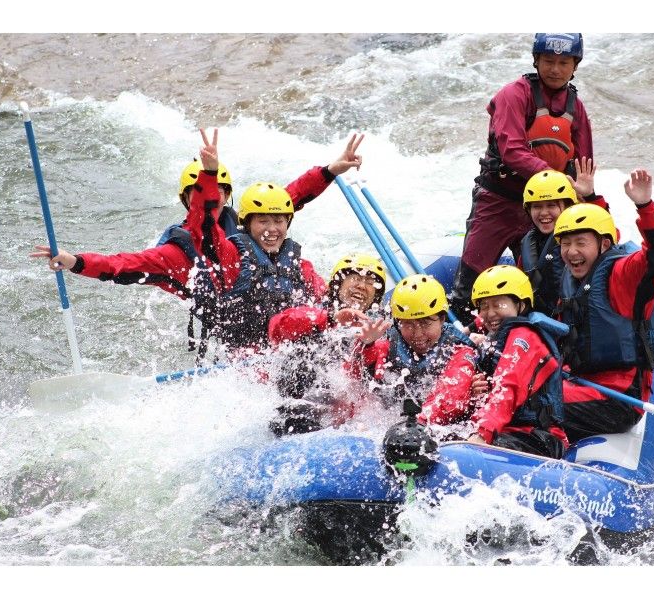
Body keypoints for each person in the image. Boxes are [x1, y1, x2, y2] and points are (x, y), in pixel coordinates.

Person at [31, 129, 365, 358]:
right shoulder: (175, 253)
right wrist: (76, 261)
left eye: (221, 191)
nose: (214, 197)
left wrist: (330, 171)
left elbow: (287, 199)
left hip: (283, 322)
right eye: (205, 192)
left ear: (230, 196)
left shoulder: (248, 225)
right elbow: (122, 265)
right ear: (189, 198)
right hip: (241, 334)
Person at [450, 33, 593, 326]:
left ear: (575, 66)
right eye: (548, 61)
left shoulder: (576, 108)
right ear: (536, 61)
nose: (555, 69)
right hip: (498, 202)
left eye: (564, 63)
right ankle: (461, 334)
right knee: (469, 284)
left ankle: (536, 338)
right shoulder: (514, 95)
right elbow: (512, 150)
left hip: (544, 210)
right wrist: (555, 181)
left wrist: (583, 202)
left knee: (541, 288)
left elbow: (583, 167)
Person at [554, 169, 654, 442]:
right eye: (566, 243)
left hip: (618, 397)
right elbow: (606, 231)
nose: (571, 252)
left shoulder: (623, 275)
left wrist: (645, 206)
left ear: (603, 245)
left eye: (580, 243)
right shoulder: (576, 274)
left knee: (532, 404)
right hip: (581, 380)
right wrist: (591, 199)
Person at [266, 253, 388, 435]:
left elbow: (362, 379)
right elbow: (277, 328)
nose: (362, 286)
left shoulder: (378, 330)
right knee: (300, 363)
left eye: (370, 282)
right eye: (355, 278)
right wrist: (331, 319)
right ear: (338, 284)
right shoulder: (315, 311)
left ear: (375, 298)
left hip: (337, 412)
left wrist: (367, 344)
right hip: (298, 400)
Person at [465, 265, 569, 458]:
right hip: (508, 430)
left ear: (520, 305)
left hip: (540, 436)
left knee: (475, 449)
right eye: (484, 306)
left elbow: (508, 387)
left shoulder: (524, 337)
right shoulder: (494, 339)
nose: (490, 313)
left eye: (498, 305)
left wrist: (481, 433)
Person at [352, 274, 478, 428]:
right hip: (393, 421)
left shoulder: (459, 351)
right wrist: (367, 345)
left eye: (425, 323)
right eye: (408, 324)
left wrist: (414, 423)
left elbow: (451, 398)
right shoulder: (390, 342)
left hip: (429, 427)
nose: (417, 334)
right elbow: (355, 376)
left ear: (442, 319)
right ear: (398, 323)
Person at [518, 160, 611, 316]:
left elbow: (607, 233)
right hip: (541, 319)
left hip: (574, 317)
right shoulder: (528, 242)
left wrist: (590, 197)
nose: (544, 213)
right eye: (537, 206)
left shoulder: (584, 236)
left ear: (568, 206)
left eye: (551, 205)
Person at [157, 159, 239, 245]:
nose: (208, 199)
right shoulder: (174, 238)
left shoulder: (241, 224)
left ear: (226, 195)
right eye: (200, 193)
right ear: (186, 198)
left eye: (216, 191)